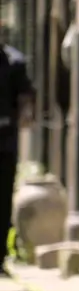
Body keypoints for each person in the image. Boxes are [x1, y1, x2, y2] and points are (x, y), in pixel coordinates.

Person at [0, 43, 34, 276]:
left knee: (2, 200)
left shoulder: (13, 61)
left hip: (4, 142)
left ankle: (0, 257)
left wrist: (25, 114)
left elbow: (25, 99)